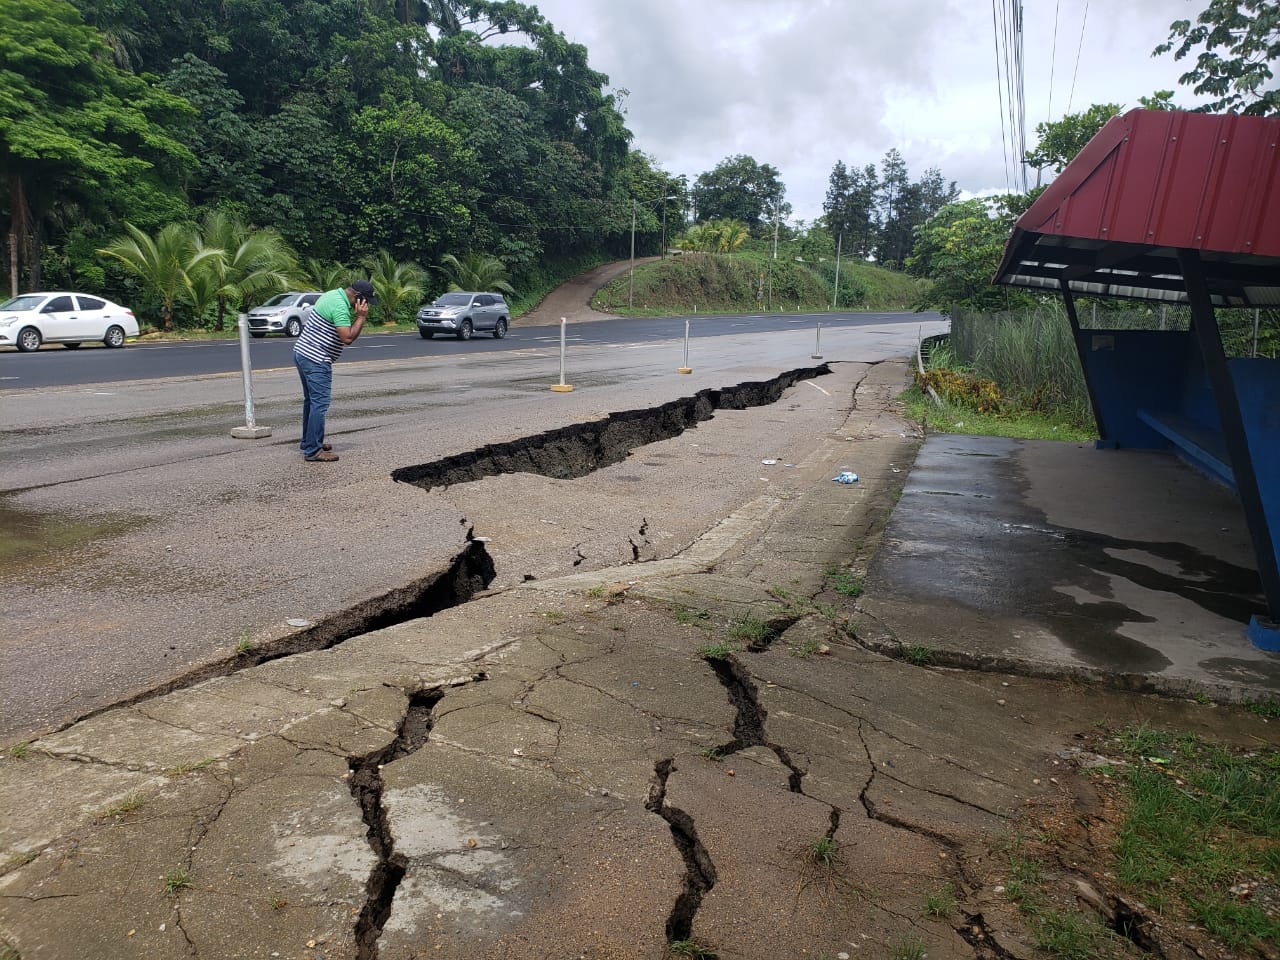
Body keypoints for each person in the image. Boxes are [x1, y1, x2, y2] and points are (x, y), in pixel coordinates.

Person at [293, 280, 376, 462]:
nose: (367, 305)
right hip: (316, 359)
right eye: (366, 301)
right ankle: (313, 450)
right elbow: (347, 338)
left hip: (302, 352)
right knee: (320, 403)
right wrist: (361, 317)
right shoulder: (339, 307)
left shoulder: (331, 295)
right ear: (358, 297)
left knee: (311, 401)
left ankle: (309, 441)